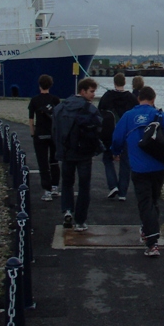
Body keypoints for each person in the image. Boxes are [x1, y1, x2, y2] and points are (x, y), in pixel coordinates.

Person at [110, 85, 164, 258]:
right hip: (158, 167)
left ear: (138, 98)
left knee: (145, 203)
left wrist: (116, 151)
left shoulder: (128, 116)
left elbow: (117, 137)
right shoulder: (160, 115)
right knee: (153, 200)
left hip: (139, 168)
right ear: (153, 99)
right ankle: (149, 229)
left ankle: (152, 243)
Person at [53, 77, 102, 232]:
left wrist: (59, 149)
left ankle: (67, 210)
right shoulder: (90, 109)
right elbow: (98, 130)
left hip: (67, 152)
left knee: (67, 183)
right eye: (92, 91)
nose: (94, 95)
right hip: (84, 154)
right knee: (84, 186)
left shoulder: (61, 107)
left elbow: (55, 130)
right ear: (83, 91)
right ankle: (80, 220)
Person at [97, 72, 138, 200]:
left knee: (107, 159)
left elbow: (99, 114)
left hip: (109, 133)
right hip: (126, 133)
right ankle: (123, 193)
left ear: (114, 82)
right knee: (125, 162)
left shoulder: (107, 96)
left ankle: (113, 185)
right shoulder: (131, 98)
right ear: (124, 82)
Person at [28, 74, 61, 201]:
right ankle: (55, 187)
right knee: (54, 161)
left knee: (43, 163)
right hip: (53, 134)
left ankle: (46, 190)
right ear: (51, 85)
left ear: (39, 85)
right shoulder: (55, 100)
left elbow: (31, 119)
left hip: (40, 134)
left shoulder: (34, 100)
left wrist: (32, 133)